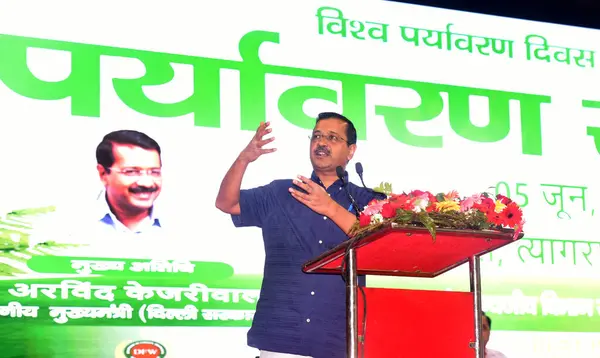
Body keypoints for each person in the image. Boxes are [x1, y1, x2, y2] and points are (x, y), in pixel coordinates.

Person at [216, 112, 384, 358]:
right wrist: (244, 159)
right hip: (282, 338)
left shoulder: (369, 201)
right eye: (316, 136)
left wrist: (330, 207)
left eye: (333, 137)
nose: (321, 142)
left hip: (340, 339)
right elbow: (226, 204)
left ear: (351, 151)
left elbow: (377, 246)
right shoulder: (280, 192)